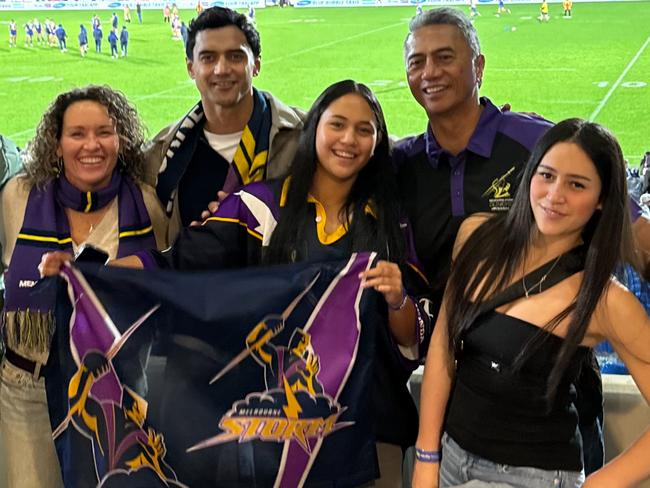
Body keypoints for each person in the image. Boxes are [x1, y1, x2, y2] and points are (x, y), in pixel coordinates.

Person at [42, 79, 431, 487]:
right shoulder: (258, 207)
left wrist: (397, 297)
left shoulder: (391, 224)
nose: (348, 139)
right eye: (337, 124)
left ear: (378, 141)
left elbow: (413, 338)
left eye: (364, 129)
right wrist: (92, 275)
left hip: (366, 430)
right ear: (314, 127)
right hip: (273, 442)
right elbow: (178, 263)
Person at [411, 118, 650, 488]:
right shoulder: (477, 235)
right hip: (450, 459)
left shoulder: (605, 300)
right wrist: (427, 457)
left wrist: (597, 485)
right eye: (547, 175)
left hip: (531, 476)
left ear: (601, 199)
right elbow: (443, 343)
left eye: (577, 185)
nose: (555, 195)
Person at [0, 85, 168, 488]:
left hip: (116, 397)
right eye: (77, 134)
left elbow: (168, 281)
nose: (91, 145)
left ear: (121, 140)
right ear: (56, 144)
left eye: (104, 132)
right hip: (27, 394)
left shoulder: (146, 206)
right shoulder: (16, 198)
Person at [142, 6, 305, 243]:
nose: (222, 69)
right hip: (195, 279)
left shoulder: (306, 136)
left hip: (280, 278)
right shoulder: (161, 155)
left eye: (235, 56)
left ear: (256, 65)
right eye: (208, 58)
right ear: (191, 68)